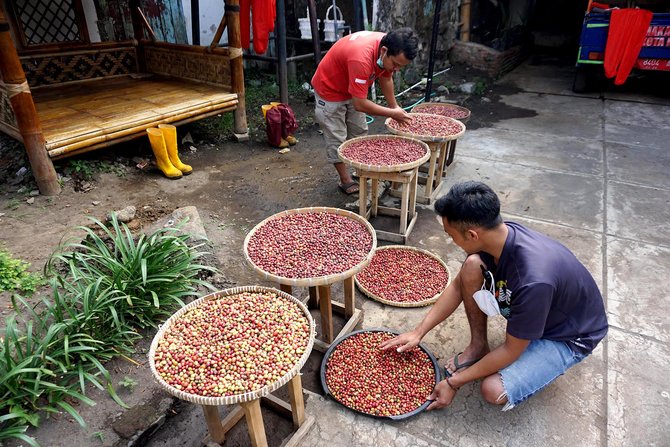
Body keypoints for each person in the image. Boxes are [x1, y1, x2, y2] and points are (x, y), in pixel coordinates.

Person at [380, 181, 608, 411]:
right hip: (543, 308)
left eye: (451, 236)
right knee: (471, 266)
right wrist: (418, 332)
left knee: (492, 390)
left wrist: (453, 382)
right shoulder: (500, 234)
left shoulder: (533, 281)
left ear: (471, 234)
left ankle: (545, 354)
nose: (452, 241)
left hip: (568, 336)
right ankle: (479, 346)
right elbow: (460, 286)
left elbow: (511, 349)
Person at [311, 28, 419, 195]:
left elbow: (386, 76)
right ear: (384, 51)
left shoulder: (386, 48)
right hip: (330, 90)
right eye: (396, 64)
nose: (397, 69)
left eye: (401, 66)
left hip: (352, 88)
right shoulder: (362, 59)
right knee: (337, 136)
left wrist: (394, 107)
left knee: (359, 130)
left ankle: (359, 169)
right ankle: (345, 180)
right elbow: (360, 104)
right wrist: (392, 113)